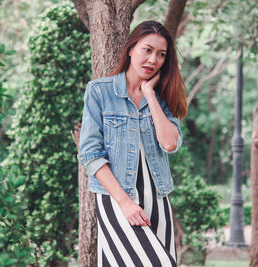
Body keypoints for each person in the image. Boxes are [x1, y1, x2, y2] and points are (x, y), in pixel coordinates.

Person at [78, 20, 187, 267]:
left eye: (161, 55)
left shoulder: (163, 97)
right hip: (116, 198)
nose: (153, 60)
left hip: (157, 197)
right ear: (131, 48)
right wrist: (125, 202)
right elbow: (90, 154)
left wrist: (149, 93)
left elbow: (170, 144)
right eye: (146, 50)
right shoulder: (99, 92)